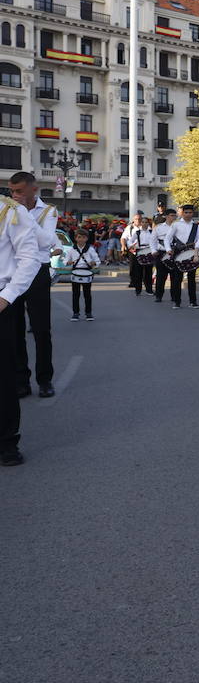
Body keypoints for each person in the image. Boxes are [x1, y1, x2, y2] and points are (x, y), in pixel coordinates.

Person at [0, 193, 44, 467]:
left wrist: (7, 296)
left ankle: (6, 442)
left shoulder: (10, 212)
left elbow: (30, 258)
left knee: (3, 376)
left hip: (1, 301)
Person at [8, 173, 58, 398]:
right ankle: (21, 380)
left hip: (38, 272)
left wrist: (24, 216)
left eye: (19, 191)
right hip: (14, 273)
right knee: (15, 329)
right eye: (12, 191)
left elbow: (46, 241)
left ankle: (44, 379)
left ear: (33, 190)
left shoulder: (48, 211)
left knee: (41, 329)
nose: (14, 196)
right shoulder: (8, 209)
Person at [166, 204, 199, 309]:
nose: (188, 214)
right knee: (178, 278)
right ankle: (177, 301)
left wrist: (197, 253)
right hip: (178, 253)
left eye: (190, 212)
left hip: (191, 253)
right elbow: (167, 238)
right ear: (182, 213)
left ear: (193, 213)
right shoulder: (176, 224)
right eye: (186, 212)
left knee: (191, 278)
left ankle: (193, 301)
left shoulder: (196, 226)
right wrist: (168, 249)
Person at [63, 227, 101, 320]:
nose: (81, 239)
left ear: (86, 239)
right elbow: (65, 260)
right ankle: (76, 313)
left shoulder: (90, 249)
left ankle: (88, 313)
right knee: (75, 295)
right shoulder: (71, 250)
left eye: (83, 237)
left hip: (87, 272)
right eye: (79, 237)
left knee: (87, 294)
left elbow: (97, 260)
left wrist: (94, 263)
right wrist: (68, 262)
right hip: (75, 272)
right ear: (76, 238)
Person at [128, 215, 156, 296]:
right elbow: (130, 241)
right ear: (140, 223)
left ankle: (149, 290)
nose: (144, 224)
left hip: (149, 252)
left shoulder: (152, 232)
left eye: (146, 222)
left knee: (148, 272)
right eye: (143, 222)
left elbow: (155, 241)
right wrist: (131, 246)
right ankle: (138, 290)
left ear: (148, 223)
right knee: (138, 272)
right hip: (140, 251)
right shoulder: (137, 232)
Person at [121, 211, 144, 288]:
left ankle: (141, 282)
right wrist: (123, 246)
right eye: (136, 219)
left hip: (143, 250)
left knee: (142, 267)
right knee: (133, 267)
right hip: (132, 250)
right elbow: (123, 238)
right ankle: (133, 281)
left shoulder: (145, 227)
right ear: (133, 220)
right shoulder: (129, 228)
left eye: (140, 219)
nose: (138, 221)